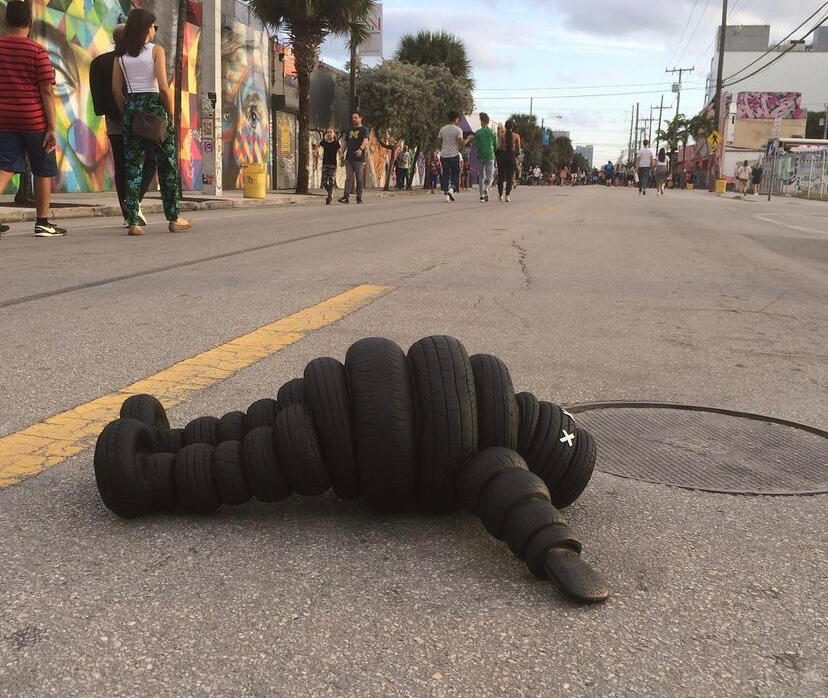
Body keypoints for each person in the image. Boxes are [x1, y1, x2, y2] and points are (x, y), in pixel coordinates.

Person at [113, 8, 191, 235]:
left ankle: (134, 221)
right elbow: (163, 87)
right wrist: (170, 115)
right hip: (154, 106)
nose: (154, 30)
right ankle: (174, 217)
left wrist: (127, 110)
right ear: (147, 28)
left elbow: (116, 90)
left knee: (133, 166)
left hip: (131, 108)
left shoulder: (120, 54)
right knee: (167, 164)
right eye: (154, 27)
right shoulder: (156, 51)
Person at [0, 0, 66, 237]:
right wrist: (51, 127)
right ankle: (43, 223)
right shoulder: (37, 51)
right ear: (30, 22)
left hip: (4, 120)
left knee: (5, 167)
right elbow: (46, 90)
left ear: (6, 21)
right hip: (33, 119)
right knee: (43, 169)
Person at [90, 23, 156, 228]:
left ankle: (128, 211)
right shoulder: (134, 61)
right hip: (137, 119)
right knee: (150, 160)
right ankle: (133, 202)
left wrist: (109, 113)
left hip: (113, 121)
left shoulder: (98, 62)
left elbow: (97, 95)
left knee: (121, 165)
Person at [338, 111, 369, 204]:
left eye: (356, 117)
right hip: (349, 157)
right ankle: (345, 197)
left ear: (360, 118)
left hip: (359, 158)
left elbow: (365, 141)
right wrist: (342, 152)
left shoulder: (364, 130)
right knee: (348, 177)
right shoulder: (349, 130)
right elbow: (345, 142)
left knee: (359, 178)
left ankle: (359, 197)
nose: (354, 119)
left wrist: (360, 149)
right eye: (352, 118)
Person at [437, 111, 468, 202]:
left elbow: (438, 141)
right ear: (456, 119)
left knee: (446, 174)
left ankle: (446, 195)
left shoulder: (442, 129)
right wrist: (468, 139)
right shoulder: (458, 130)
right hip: (454, 155)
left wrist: (443, 146)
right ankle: (452, 189)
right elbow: (462, 143)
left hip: (444, 155)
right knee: (456, 173)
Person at [472, 112, 496, 202]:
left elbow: (474, 145)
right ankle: (486, 187)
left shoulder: (478, 133)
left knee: (481, 175)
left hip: (481, 155)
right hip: (490, 155)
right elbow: (496, 145)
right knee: (489, 175)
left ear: (481, 121)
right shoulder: (492, 132)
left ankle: (481, 195)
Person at [496, 119, 520, 202]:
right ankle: (507, 196)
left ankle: (500, 196)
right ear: (512, 127)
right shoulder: (516, 136)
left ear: (505, 127)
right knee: (510, 177)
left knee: (501, 177)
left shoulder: (502, 135)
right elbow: (518, 149)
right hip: (511, 156)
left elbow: (498, 146)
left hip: (502, 156)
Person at [317, 128, 340, 205]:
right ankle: (330, 192)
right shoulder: (324, 142)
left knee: (331, 181)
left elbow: (340, 152)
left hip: (333, 164)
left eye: (331, 132)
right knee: (324, 182)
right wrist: (316, 151)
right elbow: (318, 145)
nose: (329, 133)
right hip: (325, 164)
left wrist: (342, 158)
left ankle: (329, 197)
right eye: (327, 132)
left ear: (334, 134)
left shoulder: (336, 143)